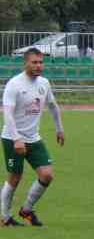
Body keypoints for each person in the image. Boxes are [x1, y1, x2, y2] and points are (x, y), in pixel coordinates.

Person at [2, 49, 65, 227]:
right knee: (15, 178)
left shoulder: (44, 83)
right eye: (34, 62)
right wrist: (16, 139)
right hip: (12, 138)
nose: (38, 66)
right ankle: (4, 217)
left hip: (33, 138)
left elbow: (53, 106)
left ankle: (26, 210)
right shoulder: (14, 84)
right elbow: (8, 114)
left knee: (47, 175)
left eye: (40, 62)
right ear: (25, 64)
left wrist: (59, 129)